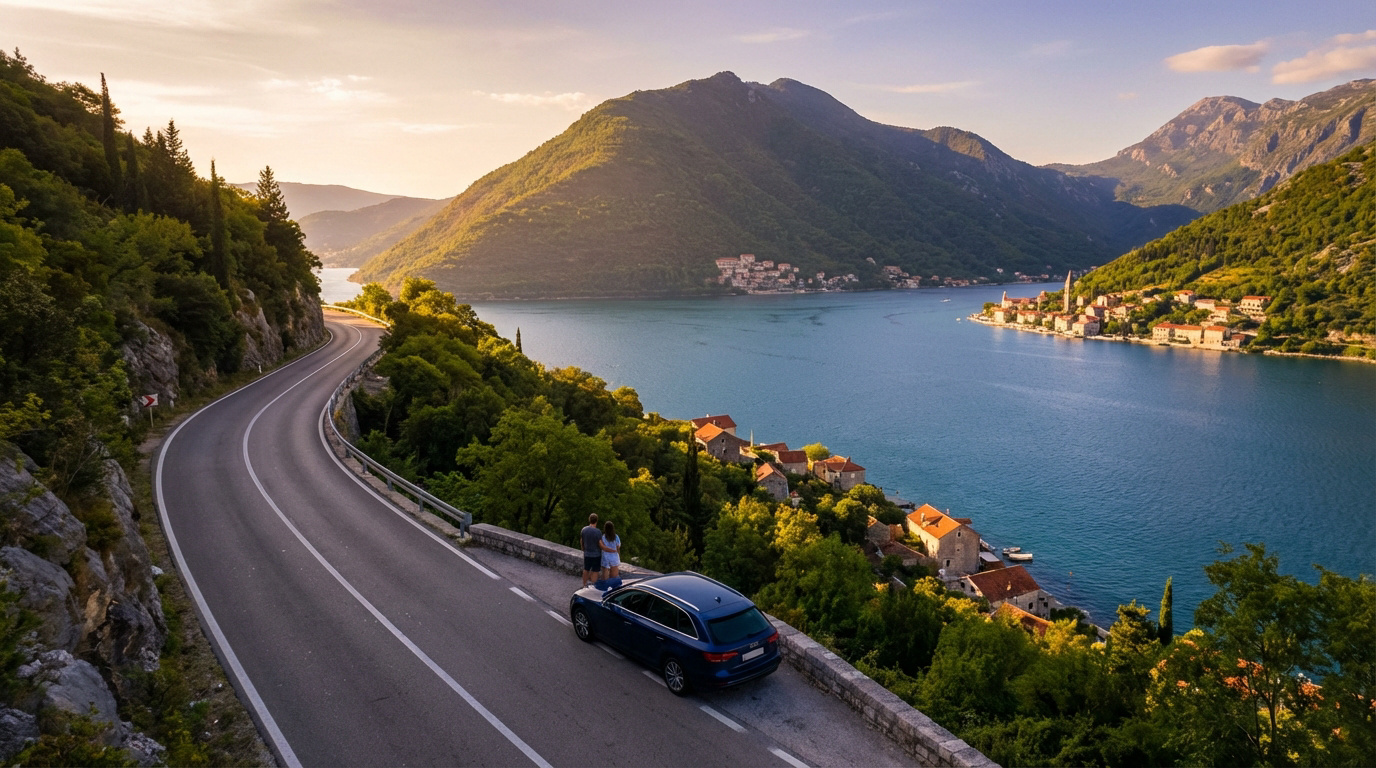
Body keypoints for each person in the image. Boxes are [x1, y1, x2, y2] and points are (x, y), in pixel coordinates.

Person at [580, 513, 602, 588]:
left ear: (589, 520)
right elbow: (600, 543)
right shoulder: (598, 532)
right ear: (596, 521)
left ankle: (584, 584)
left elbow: (582, 541)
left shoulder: (584, 529)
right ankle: (593, 586)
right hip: (596, 554)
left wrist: (583, 548)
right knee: (595, 571)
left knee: (586, 569)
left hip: (587, 553)